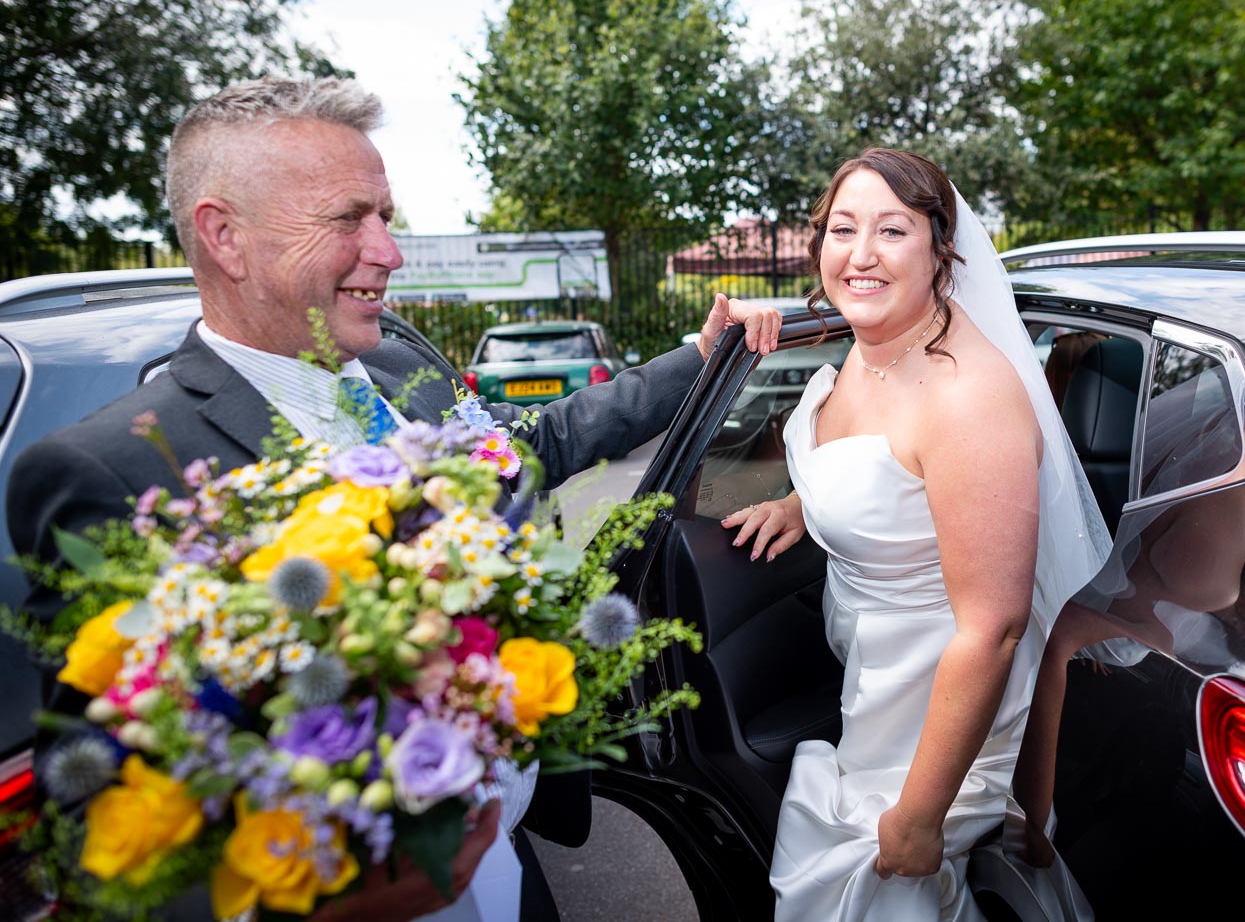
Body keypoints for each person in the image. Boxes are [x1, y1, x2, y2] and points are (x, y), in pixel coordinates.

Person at [4, 76, 782, 922]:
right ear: (224, 235)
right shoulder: (109, 469)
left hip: (514, 876)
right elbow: (90, 817)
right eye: (348, 219)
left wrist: (699, 357)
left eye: (385, 216)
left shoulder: (402, 374)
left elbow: (533, 447)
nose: (389, 250)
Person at [721, 148, 1109, 921]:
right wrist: (807, 502)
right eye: (843, 228)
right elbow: (898, 474)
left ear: (940, 248)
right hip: (876, 678)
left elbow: (993, 628)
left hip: (939, 711)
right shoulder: (872, 349)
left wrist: (921, 812)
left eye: (892, 231)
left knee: (869, 891)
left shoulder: (969, 400)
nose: (860, 255)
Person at [1012, 379, 1245, 867]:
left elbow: (1149, 580)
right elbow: (1066, 634)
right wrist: (1034, 822)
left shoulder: (1214, 494)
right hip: (1061, 698)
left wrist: (1238, 582)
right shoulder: (1228, 526)